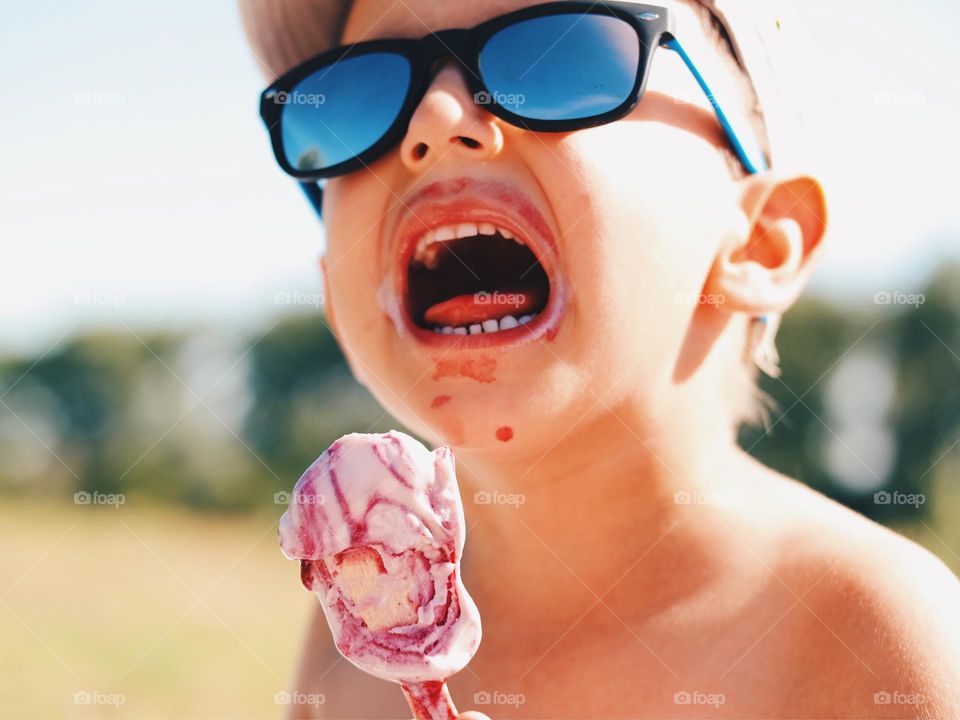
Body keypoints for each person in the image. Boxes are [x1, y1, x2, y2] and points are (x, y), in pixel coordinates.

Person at [239, 1, 960, 717]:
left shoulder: (876, 638)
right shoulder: (357, 632)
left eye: (559, 55)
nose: (434, 118)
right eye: (355, 98)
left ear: (759, 243)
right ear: (333, 293)